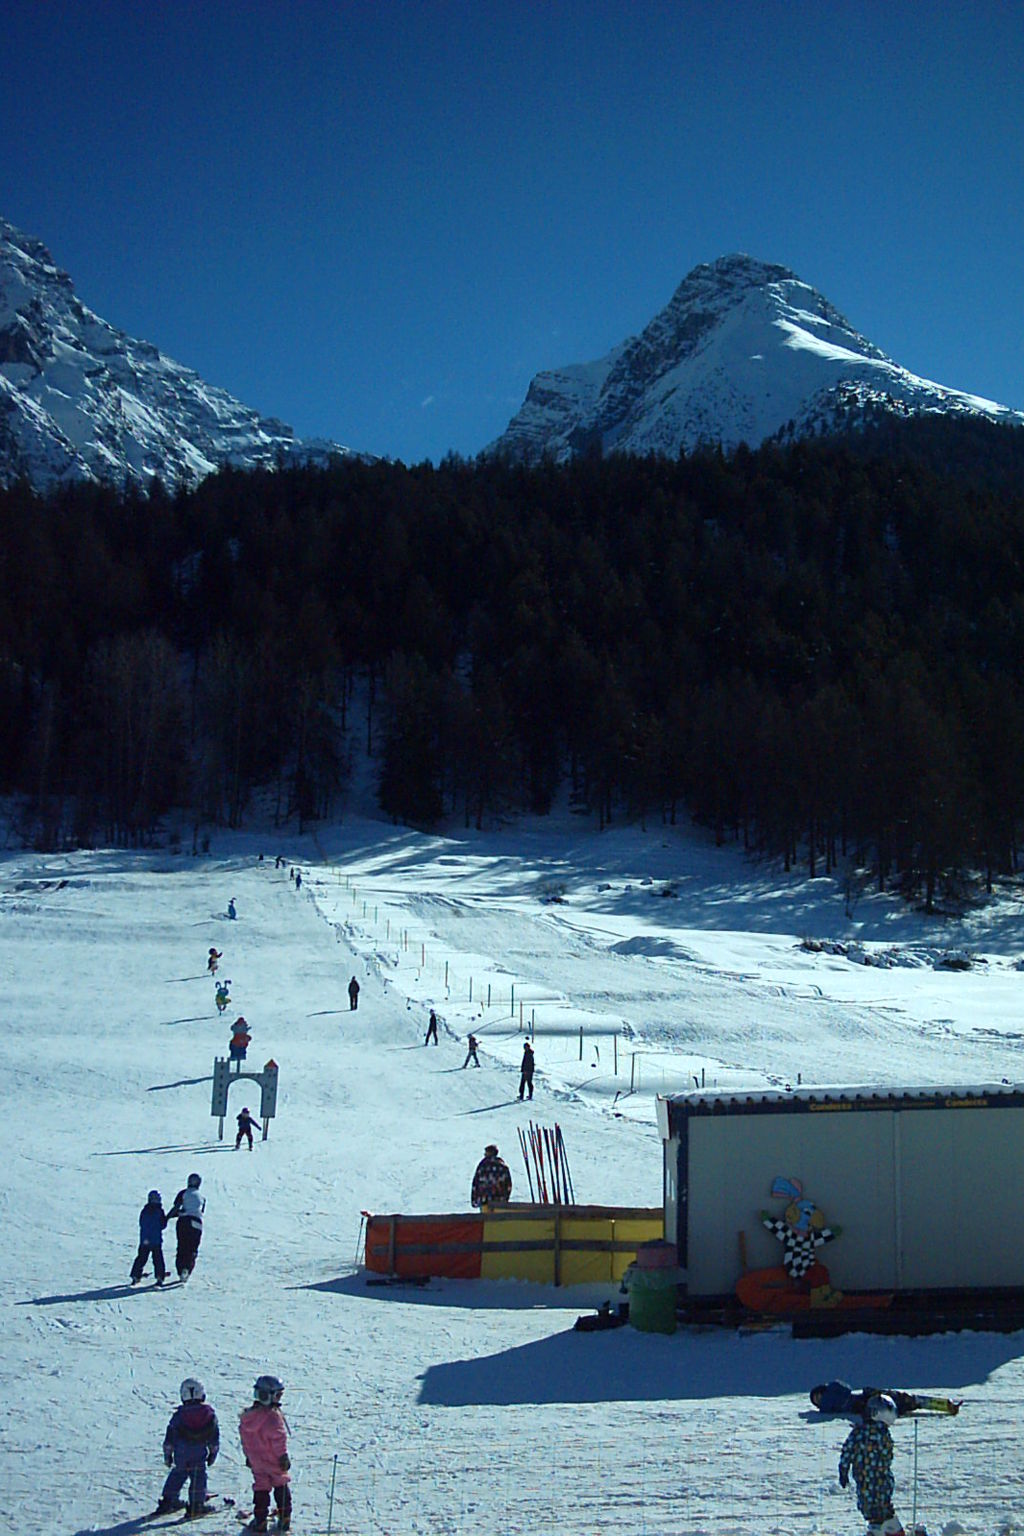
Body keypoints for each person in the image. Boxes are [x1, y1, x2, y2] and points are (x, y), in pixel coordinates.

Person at [838, 1393, 903, 1536]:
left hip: (872, 1481)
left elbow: (847, 1451)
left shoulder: (871, 1432)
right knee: (878, 1509)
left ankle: (887, 1528)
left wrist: (844, 1469)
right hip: (875, 1481)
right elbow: (848, 1451)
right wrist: (843, 1470)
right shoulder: (867, 1432)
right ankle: (880, 1529)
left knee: (879, 1508)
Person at [154, 1378, 219, 1519]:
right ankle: (196, 1505)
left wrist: (168, 1454)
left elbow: (170, 1436)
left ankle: (168, 1501)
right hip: (199, 1453)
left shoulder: (179, 1416)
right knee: (198, 1476)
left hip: (181, 1453)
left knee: (178, 1473)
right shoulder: (209, 1414)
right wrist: (213, 1452)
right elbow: (214, 1435)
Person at [239, 1374, 292, 1534]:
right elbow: (279, 1439)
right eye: (277, 1395)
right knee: (280, 1485)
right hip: (274, 1461)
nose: (279, 1399)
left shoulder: (248, 1418)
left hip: (257, 1462)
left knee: (261, 1488)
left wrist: (248, 1456)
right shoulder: (272, 1417)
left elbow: (246, 1440)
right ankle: (285, 1517)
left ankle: (261, 1520)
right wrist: (283, 1456)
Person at [811, 1380, 962, 1418]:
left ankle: (943, 1405)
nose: (820, 1399)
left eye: (819, 1396)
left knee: (902, 1400)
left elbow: (845, 1388)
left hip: (865, 1398)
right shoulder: (827, 1407)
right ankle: (943, 1405)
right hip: (863, 1406)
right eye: (816, 1400)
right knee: (902, 1403)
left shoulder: (834, 1391)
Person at [168, 1173, 205, 1282]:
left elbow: (176, 1207)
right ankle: (187, 1269)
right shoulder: (202, 1198)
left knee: (182, 1246)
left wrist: (167, 1217)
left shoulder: (184, 1193)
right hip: (197, 1223)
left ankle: (181, 1269)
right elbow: (201, 1211)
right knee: (192, 1247)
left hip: (184, 1221)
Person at [130, 1189, 168, 1286]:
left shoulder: (145, 1210)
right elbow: (163, 1225)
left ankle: (135, 1275)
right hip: (156, 1240)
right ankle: (160, 1276)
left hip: (145, 1240)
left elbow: (142, 1223)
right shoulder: (159, 1211)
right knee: (158, 1259)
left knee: (141, 1258)